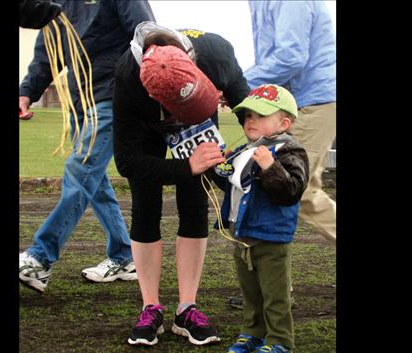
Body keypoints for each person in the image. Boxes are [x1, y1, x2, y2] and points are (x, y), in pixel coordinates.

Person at [112, 22, 250, 346]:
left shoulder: (216, 56)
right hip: (147, 131)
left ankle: (187, 308)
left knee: (195, 204)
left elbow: (249, 112)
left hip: (199, 119)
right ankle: (151, 307)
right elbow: (127, 162)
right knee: (146, 205)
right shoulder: (128, 78)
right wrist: (186, 166)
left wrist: (254, 152)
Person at [18, 0, 156, 293]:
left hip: (115, 94)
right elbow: (47, 53)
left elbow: (146, 35)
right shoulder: (56, 4)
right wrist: (27, 91)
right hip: (80, 99)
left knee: (80, 171)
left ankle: (39, 259)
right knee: (96, 180)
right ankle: (123, 255)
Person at [209, 84, 309, 353]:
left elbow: (291, 192)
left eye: (260, 115)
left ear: (284, 123)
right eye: (248, 116)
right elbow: (233, 185)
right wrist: (215, 168)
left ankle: (280, 340)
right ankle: (253, 332)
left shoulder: (289, 151)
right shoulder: (245, 149)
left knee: (274, 294)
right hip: (241, 234)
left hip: (271, 235)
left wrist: (270, 166)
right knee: (250, 292)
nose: (250, 121)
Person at [244, 0, 336, 243]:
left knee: (299, 187)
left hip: (311, 100)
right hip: (291, 102)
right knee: (280, 183)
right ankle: (271, 273)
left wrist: (239, 85)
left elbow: (290, 57)